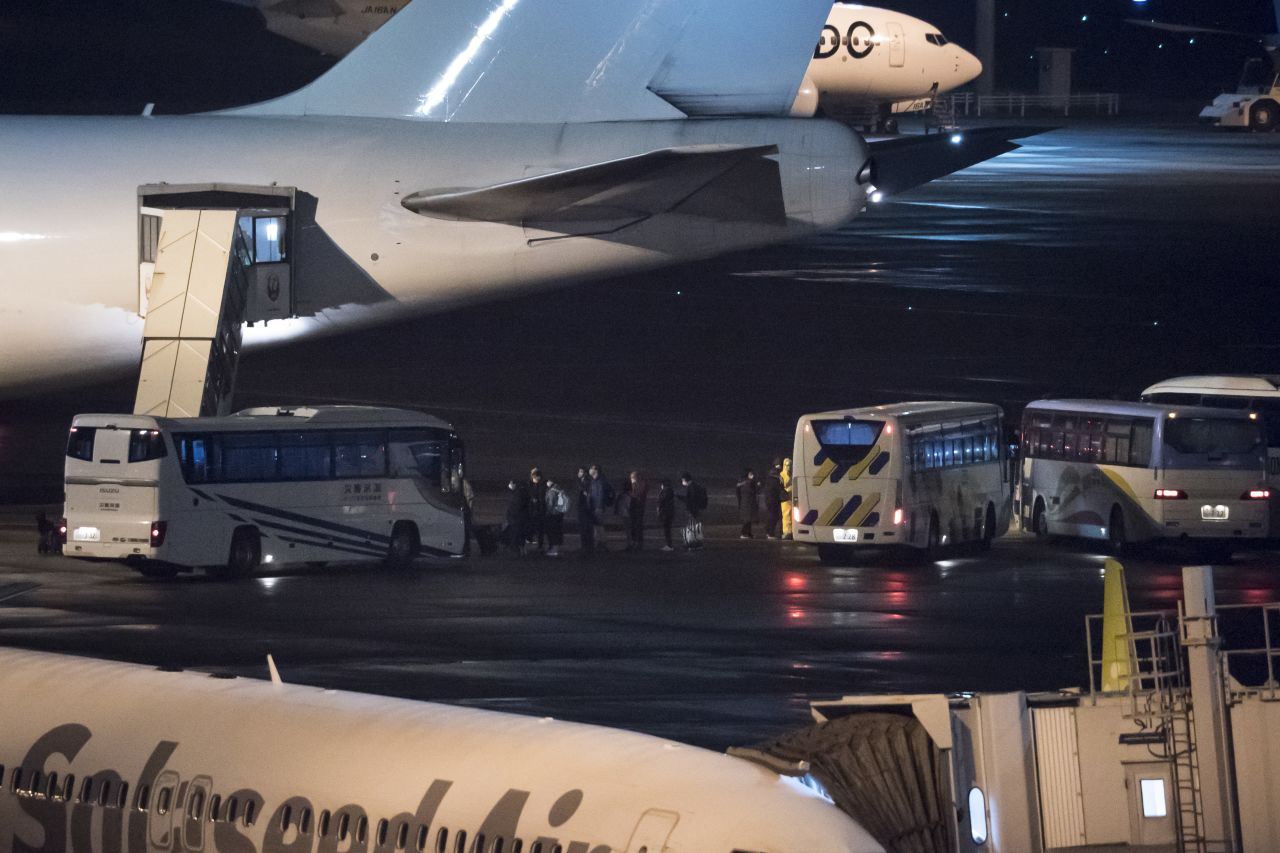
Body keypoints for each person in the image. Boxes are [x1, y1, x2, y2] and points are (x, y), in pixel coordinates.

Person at [587, 464, 614, 551]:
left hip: (598, 506)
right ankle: (598, 542)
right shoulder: (593, 481)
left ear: (596, 470)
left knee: (599, 525)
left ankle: (603, 542)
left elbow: (604, 494)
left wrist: (605, 503)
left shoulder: (601, 481)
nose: (590, 470)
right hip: (594, 506)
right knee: (596, 526)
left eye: (591, 469)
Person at [678, 472, 708, 549]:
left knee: (692, 528)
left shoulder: (691, 487)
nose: (682, 482)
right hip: (696, 509)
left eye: (682, 480)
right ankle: (697, 543)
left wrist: (681, 498)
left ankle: (693, 544)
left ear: (685, 480)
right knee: (696, 528)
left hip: (693, 510)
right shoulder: (696, 486)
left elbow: (690, 500)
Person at [504, 478, 530, 556]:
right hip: (521, 517)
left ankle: (516, 550)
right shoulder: (522, 492)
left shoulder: (517, 494)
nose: (509, 485)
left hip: (516, 518)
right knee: (520, 534)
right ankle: (521, 549)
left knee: (515, 534)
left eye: (511, 483)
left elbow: (515, 507)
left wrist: (510, 516)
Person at [544, 477, 569, 557]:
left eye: (548, 481)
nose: (547, 482)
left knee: (553, 532)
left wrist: (546, 513)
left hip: (553, 515)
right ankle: (556, 549)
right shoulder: (560, 489)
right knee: (558, 532)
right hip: (559, 514)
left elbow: (550, 505)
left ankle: (554, 551)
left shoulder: (552, 491)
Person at [625, 470, 649, 551]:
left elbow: (636, 495)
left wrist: (630, 492)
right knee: (635, 525)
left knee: (637, 525)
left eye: (632, 477)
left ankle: (637, 543)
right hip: (636, 507)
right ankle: (636, 543)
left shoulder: (640, 484)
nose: (631, 479)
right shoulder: (639, 484)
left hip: (638, 508)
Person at [576, 468, 596, 555]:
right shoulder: (583, 482)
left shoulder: (586, 483)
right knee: (585, 528)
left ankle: (587, 547)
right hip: (584, 508)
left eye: (580, 472)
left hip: (585, 509)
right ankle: (586, 547)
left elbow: (586, 496)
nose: (578, 473)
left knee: (585, 528)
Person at [763, 458, 785, 539]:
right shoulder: (775, 477)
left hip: (771, 499)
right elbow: (776, 488)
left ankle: (770, 532)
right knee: (773, 516)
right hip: (773, 500)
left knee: (773, 516)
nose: (780, 467)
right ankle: (770, 533)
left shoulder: (772, 476)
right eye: (778, 465)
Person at [528, 467, 548, 551]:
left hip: (540, 509)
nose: (533, 478)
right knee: (534, 526)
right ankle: (532, 540)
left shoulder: (542, 485)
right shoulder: (532, 484)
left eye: (535, 476)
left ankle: (540, 544)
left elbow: (542, 497)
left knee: (540, 528)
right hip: (534, 509)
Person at [736, 468, 760, 539]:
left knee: (749, 519)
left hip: (746, 502)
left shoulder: (742, 482)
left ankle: (749, 533)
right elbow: (753, 491)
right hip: (747, 502)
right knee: (747, 519)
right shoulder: (747, 482)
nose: (752, 475)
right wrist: (756, 483)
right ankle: (743, 533)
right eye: (750, 473)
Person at [656, 479, 676, 551]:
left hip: (665, 513)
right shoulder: (670, 491)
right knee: (667, 529)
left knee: (667, 530)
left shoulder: (665, 492)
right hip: (669, 513)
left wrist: (659, 511)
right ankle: (669, 545)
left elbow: (661, 502)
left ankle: (669, 545)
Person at [780, 457, 794, 540]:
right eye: (787, 465)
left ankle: (791, 531)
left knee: (792, 515)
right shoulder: (782, 475)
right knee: (786, 515)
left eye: (790, 465)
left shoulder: (792, 474)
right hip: (785, 498)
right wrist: (789, 489)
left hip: (791, 498)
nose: (788, 467)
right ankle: (786, 531)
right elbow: (781, 487)